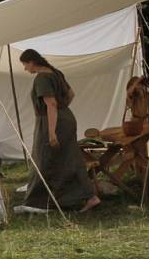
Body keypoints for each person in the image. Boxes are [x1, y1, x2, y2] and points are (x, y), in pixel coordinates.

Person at [15, 49, 100, 213]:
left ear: (32, 62)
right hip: (66, 118)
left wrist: (52, 132)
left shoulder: (42, 78)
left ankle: (37, 202)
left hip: (51, 122)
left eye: (25, 65)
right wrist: (63, 110)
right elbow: (71, 94)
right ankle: (87, 196)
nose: (25, 69)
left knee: (44, 159)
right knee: (69, 159)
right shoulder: (56, 73)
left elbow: (51, 104)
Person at [125, 76, 149, 155]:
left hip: (147, 123)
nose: (140, 86)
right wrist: (137, 81)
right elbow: (129, 92)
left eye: (141, 84)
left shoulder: (147, 94)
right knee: (142, 150)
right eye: (137, 85)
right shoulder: (132, 97)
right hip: (136, 124)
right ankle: (143, 163)